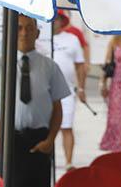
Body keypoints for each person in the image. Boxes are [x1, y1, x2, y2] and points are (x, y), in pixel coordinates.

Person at [0, 15, 70, 187]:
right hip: (9, 139)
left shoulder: (49, 67)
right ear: (11, 32)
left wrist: (50, 139)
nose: (24, 33)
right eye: (19, 28)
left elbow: (57, 108)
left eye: (29, 28)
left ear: (37, 33)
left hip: (39, 141)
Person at [34, 13, 87, 171]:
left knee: (66, 126)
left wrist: (81, 87)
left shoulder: (72, 39)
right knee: (43, 127)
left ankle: (68, 161)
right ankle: (43, 158)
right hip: (43, 91)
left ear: (62, 21)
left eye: (56, 18)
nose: (53, 21)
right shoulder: (39, 40)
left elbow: (79, 65)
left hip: (66, 90)